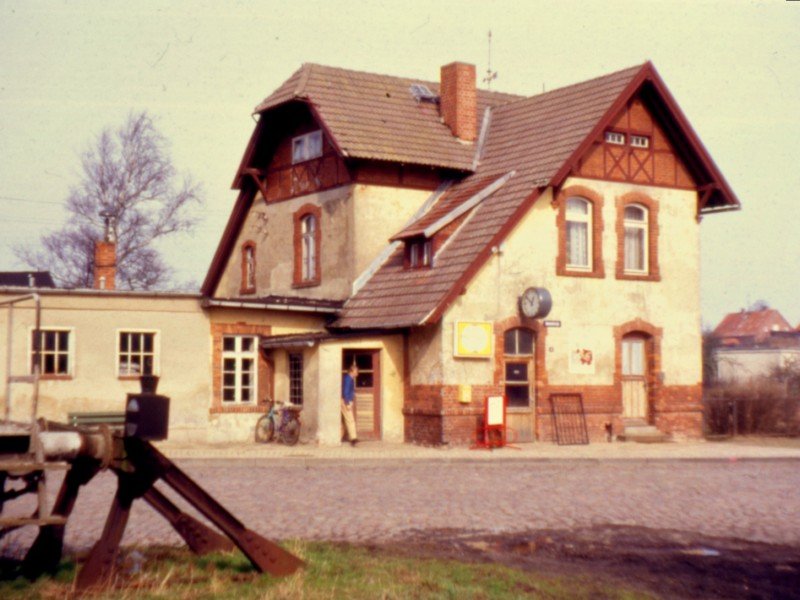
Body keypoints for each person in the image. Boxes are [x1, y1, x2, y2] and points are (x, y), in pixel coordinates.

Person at [341, 364, 359, 446]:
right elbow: (345, 392)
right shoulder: (348, 379)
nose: (357, 373)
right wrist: (347, 403)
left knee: (344, 421)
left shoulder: (349, 378)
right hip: (345, 401)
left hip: (345, 400)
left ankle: (340, 437)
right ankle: (353, 438)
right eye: (356, 371)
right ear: (352, 371)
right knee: (350, 419)